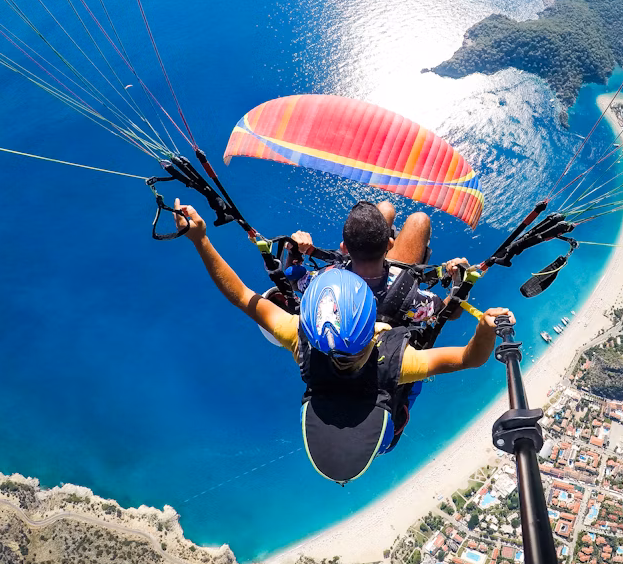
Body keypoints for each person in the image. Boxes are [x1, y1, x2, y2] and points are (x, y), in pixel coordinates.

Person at [174, 199, 513, 484]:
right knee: (416, 220)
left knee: (384, 210)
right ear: (374, 324)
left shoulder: (302, 339)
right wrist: (482, 323)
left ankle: (386, 227)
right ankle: (392, 232)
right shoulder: (398, 362)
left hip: (354, 425)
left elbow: (242, 296)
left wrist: (200, 240)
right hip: (379, 426)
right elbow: (469, 357)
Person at [289, 200, 468, 329]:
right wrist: (460, 280)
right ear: (390, 244)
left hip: (367, 284)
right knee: (419, 220)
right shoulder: (412, 299)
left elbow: (293, 281)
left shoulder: (324, 279)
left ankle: (370, 239)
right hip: (394, 290)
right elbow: (450, 313)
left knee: (385, 208)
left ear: (344, 248)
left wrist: (294, 250)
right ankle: (377, 239)